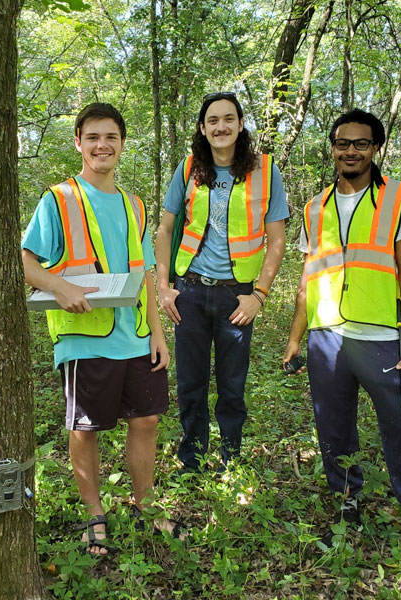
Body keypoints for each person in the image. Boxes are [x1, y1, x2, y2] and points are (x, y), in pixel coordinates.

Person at [282, 109, 401, 582]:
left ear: (375, 148)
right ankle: (347, 503)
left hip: (381, 338)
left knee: (400, 431)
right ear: (333, 147)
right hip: (324, 339)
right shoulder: (313, 206)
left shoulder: (399, 198)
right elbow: (305, 280)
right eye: (343, 143)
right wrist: (295, 339)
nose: (351, 151)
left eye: (361, 143)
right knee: (333, 429)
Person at [22, 103, 173, 555]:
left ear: (122, 144)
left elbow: (144, 272)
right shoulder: (58, 199)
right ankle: (94, 514)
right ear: (79, 143)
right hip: (83, 336)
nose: (102, 145)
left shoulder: (134, 205)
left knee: (146, 420)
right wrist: (59, 285)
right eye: (92, 137)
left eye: (110, 137)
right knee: (85, 428)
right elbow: (27, 262)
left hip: (136, 334)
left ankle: (145, 505)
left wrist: (159, 334)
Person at [155, 92, 288, 473]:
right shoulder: (188, 169)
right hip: (191, 292)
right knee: (190, 384)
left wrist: (259, 296)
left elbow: (276, 239)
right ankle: (192, 460)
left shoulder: (266, 170)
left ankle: (231, 458)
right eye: (213, 120)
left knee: (232, 385)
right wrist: (164, 288)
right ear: (202, 127)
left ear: (241, 124)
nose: (221, 127)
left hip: (237, 297)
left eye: (229, 119)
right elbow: (165, 230)